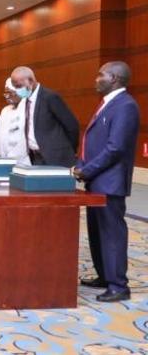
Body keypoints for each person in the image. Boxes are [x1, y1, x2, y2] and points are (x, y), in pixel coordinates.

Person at [74, 61, 140, 303]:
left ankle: (118, 285)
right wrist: (81, 165)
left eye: (100, 75)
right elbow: (93, 142)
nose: (96, 79)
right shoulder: (107, 104)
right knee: (96, 232)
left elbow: (115, 148)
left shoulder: (125, 106)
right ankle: (104, 276)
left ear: (114, 78)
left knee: (111, 234)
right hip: (97, 181)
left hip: (110, 183)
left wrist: (86, 171)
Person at [10, 66, 79, 167]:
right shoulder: (26, 100)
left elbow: (72, 125)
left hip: (56, 158)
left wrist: (68, 150)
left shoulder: (49, 97)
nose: (17, 90)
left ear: (31, 81)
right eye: (15, 87)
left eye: (19, 86)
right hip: (36, 158)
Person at [0, 78, 31, 166]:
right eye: (5, 93)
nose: (6, 96)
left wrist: (10, 158)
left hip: (22, 162)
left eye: (9, 93)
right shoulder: (5, 110)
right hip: (2, 161)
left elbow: (25, 140)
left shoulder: (28, 110)